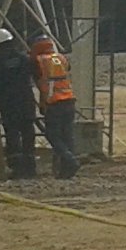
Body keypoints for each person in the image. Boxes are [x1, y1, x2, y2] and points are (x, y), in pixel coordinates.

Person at [0, 27, 39, 178]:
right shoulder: (23, 58)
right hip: (26, 100)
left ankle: (16, 167)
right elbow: (37, 73)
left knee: (12, 133)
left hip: (7, 103)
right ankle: (30, 167)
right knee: (28, 132)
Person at [32, 36, 81, 179]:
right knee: (67, 136)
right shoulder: (61, 58)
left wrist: (42, 104)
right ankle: (67, 171)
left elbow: (41, 82)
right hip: (69, 100)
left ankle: (70, 159)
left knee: (52, 135)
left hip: (54, 103)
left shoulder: (39, 62)